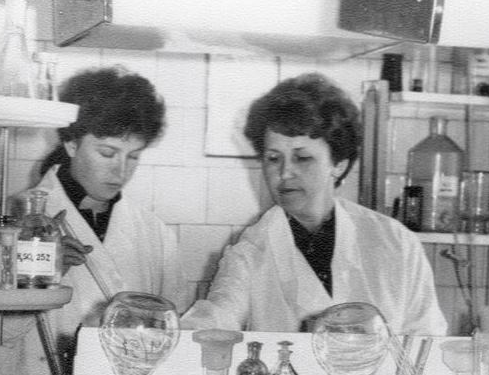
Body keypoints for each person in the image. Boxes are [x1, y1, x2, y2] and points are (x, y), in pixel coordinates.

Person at [182, 72, 447, 335]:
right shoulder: (250, 249)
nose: (284, 173)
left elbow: (426, 339)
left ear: (338, 164)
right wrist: (195, 331)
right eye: (273, 158)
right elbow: (218, 315)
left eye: (302, 158)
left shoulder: (396, 242)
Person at [8, 67, 186, 375]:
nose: (120, 171)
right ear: (72, 143)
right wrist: (42, 278)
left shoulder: (154, 233)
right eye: (107, 152)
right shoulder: (16, 218)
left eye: (133, 157)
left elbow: (174, 336)